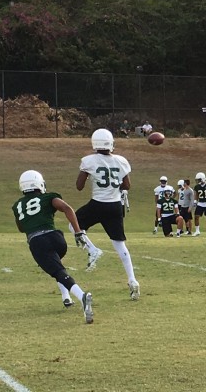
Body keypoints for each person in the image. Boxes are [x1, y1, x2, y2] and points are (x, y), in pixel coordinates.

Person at [12, 170, 94, 324]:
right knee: (58, 268)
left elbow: (21, 228)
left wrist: (31, 220)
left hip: (38, 241)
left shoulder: (17, 205)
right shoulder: (48, 197)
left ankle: (82, 296)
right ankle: (66, 298)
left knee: (57, 271)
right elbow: (67, 208)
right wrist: (78, 232)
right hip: (57, 238)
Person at [73, 128, 140, 301]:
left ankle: (92, 250)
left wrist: (88, 175)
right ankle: (132, 280)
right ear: (111, 143)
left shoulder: (89, 161)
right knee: (120, 245)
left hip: (97, 204)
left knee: (73, 223)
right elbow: (127, 185)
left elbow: (79, 186)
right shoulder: (121, 161)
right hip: (115, 206)